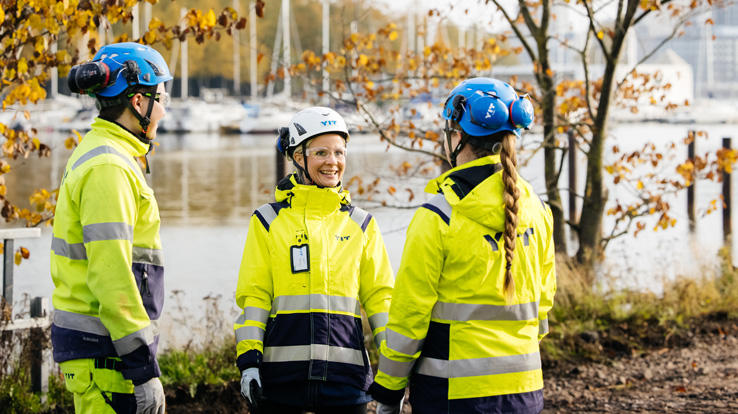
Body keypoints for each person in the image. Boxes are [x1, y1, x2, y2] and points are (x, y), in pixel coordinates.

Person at [369, 77, 557, 414]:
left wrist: (389, 389)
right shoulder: (538, 211)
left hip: (450, 394)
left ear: (456, 138)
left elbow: (409, 317)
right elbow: (542, 308)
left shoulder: (438, 217)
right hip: (525, 392)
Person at [234, 107, 395, 414]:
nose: (332, 162)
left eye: (339, 152)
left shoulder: (361, 224)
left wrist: (393, 371)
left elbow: (380, 299)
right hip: (279, 381)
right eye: (321, 152)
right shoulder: (267, 221)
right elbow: (254, 297)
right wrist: (249, 364)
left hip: (347, 382)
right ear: (298, 157)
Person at [50, 42, 172, 414]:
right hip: (107, 354)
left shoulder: (107, 152)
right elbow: (111, 275)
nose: (165, 111)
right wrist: (143, 368)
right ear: (138, 103)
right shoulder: (110, 167)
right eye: (162, 98)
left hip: (105, 350)